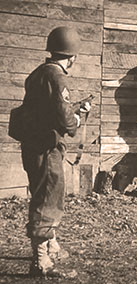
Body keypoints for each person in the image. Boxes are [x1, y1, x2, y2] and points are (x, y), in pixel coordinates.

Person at [20, 26, 91, 277]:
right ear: (72, 57)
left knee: (45, 194)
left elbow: (47, 109)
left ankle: (51, 246)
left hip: (33, 145)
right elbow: (64, 121)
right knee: (48, 198)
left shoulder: (37, 74)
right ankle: (41, 261)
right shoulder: (58, 77)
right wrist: (78, 119)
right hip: (46, 148)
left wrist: (73, 109)